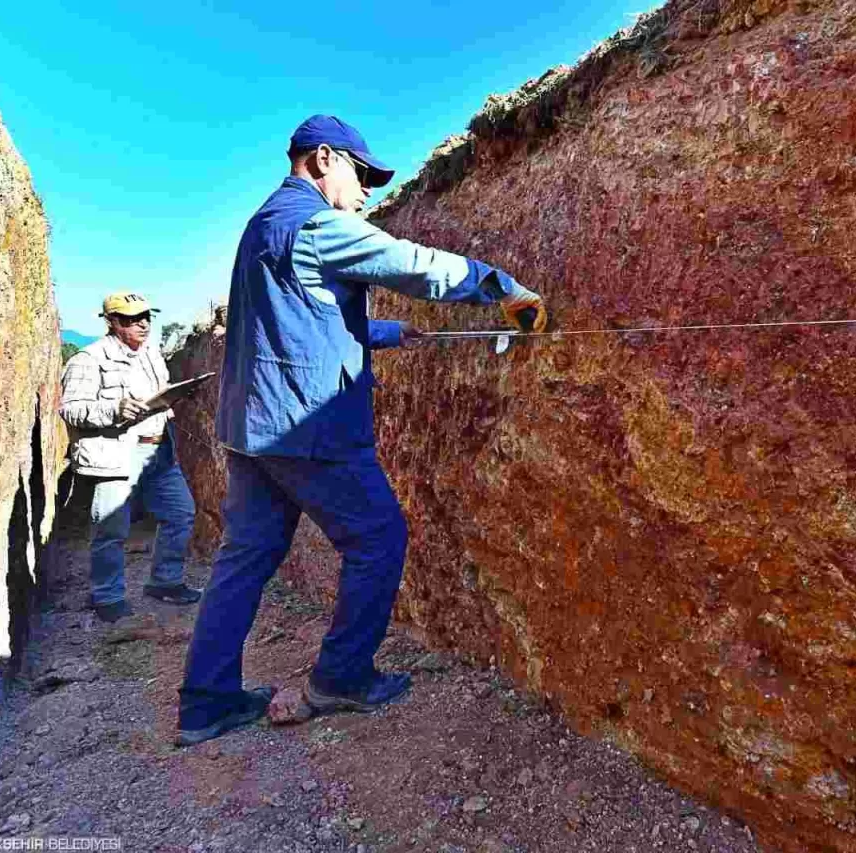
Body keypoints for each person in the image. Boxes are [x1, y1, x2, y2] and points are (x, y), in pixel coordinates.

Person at [176, 114, 547, 745]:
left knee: (245, 556)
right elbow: (411, 264)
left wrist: (392, 334)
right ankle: (341, 677)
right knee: (379, 539)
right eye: (363, 175)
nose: (369, 191)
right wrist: (502, 288)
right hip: (305, 428)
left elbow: (297, 321)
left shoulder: (262, 226)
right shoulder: (317, 224)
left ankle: (204, 705)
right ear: (324, 159)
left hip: (251, 428)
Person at [60, 292, 203, 623]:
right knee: (111, 529)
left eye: (146, 316)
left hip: (159, 451)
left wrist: (180, 396)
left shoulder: (151, 353)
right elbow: (70, 409)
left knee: (180, 513)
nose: (143, 324)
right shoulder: (88, 359)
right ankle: (106, 596)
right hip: (116, 455)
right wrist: (114, 408)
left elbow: (159, 395)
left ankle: (165, 582)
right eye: (131, 318)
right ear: (111, 322)